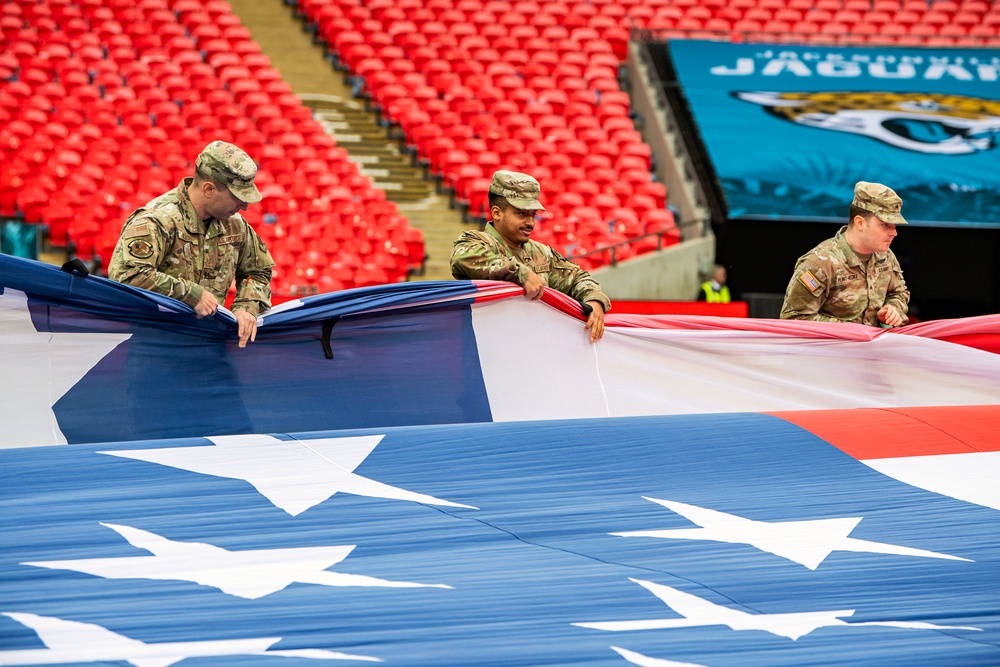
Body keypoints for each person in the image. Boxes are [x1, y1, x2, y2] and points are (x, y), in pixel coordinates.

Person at [108, 140, 274, 348]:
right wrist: (190, 294)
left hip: (210, 343)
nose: (245, 207)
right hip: (156, 346)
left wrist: (246, 305)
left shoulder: (235, 224)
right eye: (237, 197)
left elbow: (259, 270)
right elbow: (128, 276)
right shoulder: (158, 219)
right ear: (208, 189)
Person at [450, 170, 611, 342]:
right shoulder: (477, 243)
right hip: (487, 350)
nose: (530, 223)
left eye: (533, 214)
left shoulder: (542, 253)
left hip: (532, 350)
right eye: (521, 214)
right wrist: (521, 274)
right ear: (497, 213)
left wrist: (595, 302)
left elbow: (578, 278)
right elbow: (462, 258)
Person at [780, 181, 909, 327]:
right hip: (830, 348)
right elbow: (794, 318)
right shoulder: (820, 262)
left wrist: (893, 309)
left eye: (894, 226)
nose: (894, 233)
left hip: (871, 348)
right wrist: (850, 330)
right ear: (860, 223)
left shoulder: (885, 256)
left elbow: (899, 293)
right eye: (885, 225)